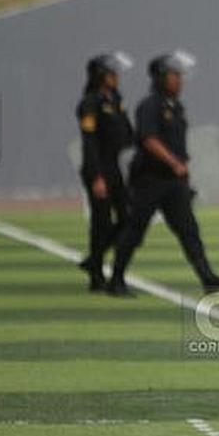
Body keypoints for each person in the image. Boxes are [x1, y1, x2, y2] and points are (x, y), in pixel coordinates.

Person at [107, 51, 219, 296]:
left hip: (173, 182)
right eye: (174, 75)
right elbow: (148, 139)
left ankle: (207, 277)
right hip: (150, 179)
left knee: (189, 230)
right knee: (135, 230)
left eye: (180, 76)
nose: (179, 80)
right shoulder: (150, 105)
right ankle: (116, 279)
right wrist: (174, 162)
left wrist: (181, 172)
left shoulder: (175, 106)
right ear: (160, 78)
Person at [75, 52, 134, 291]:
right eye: (112, 73)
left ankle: (94, 258)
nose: (116, 77)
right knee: (100, 221)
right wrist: (96, 176)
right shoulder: (90, 103)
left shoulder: (115, 98)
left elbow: (126, 130)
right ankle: (96, 276)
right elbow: (89, 142)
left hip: (114, 165)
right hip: (97, 167)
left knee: (127, 218)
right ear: (101, 76)